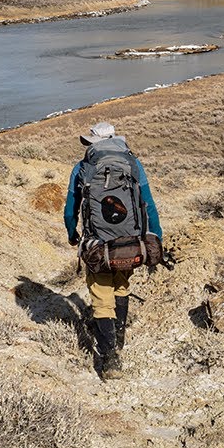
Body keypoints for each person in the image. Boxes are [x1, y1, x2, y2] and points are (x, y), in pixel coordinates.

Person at [64, 121, 162, 380]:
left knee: (101, 296)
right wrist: (155, 238)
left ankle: (109, 358)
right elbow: (148, 205)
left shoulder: (83, 167)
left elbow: (70, 207)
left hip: (99, 246)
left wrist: (72, 234)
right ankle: (119, 339)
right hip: (130, 243)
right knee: (121, 286)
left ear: (94, 143)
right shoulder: (132, 164)